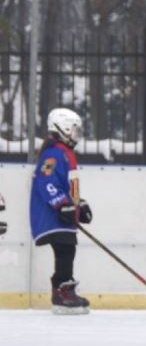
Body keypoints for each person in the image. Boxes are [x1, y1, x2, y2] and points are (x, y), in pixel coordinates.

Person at [29, 108, 92, 314]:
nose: (76, 134)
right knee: (65, 249)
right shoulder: (53, 154)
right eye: (74, 130)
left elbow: (65, 186)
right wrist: (61, 204)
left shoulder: (65, 153)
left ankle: (63, 290)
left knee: (68, 249)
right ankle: (62, 292)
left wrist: (78, 204)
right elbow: (47, 182)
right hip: (51, 216)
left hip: (62, 215)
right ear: (63, 129)